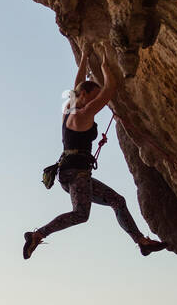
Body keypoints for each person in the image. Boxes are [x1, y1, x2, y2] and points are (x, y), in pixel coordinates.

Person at [23, 41, 167, 259]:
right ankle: (37, 235)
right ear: (86, 96)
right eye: (94, 94)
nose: (96, 99)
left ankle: (141, 242)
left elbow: (78, 82)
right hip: (76, 174)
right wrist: (105, 65)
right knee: (81, 214)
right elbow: (109, 89)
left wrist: (84, 57)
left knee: (117, 201)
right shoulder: (83, 113)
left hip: (74, 173)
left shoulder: (69, 108)